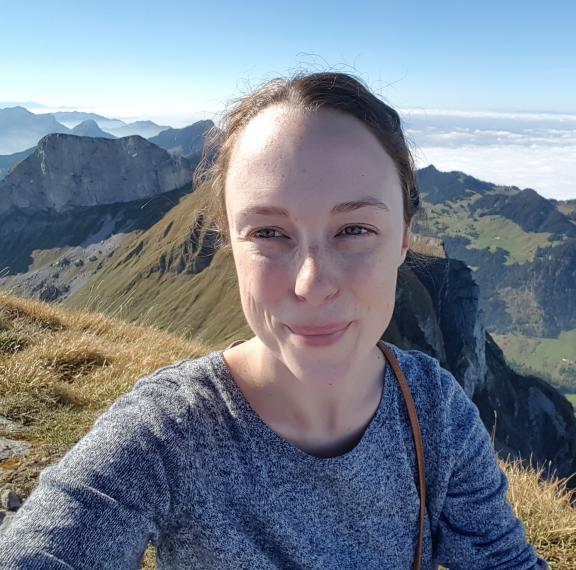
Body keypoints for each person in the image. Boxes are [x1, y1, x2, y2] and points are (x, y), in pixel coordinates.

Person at [0, 71, 548, 569]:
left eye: (354, 229)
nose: (312, 283)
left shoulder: (437, 413)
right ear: (228, 244)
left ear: (405, 238)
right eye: (268, 232)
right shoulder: (166, 431)